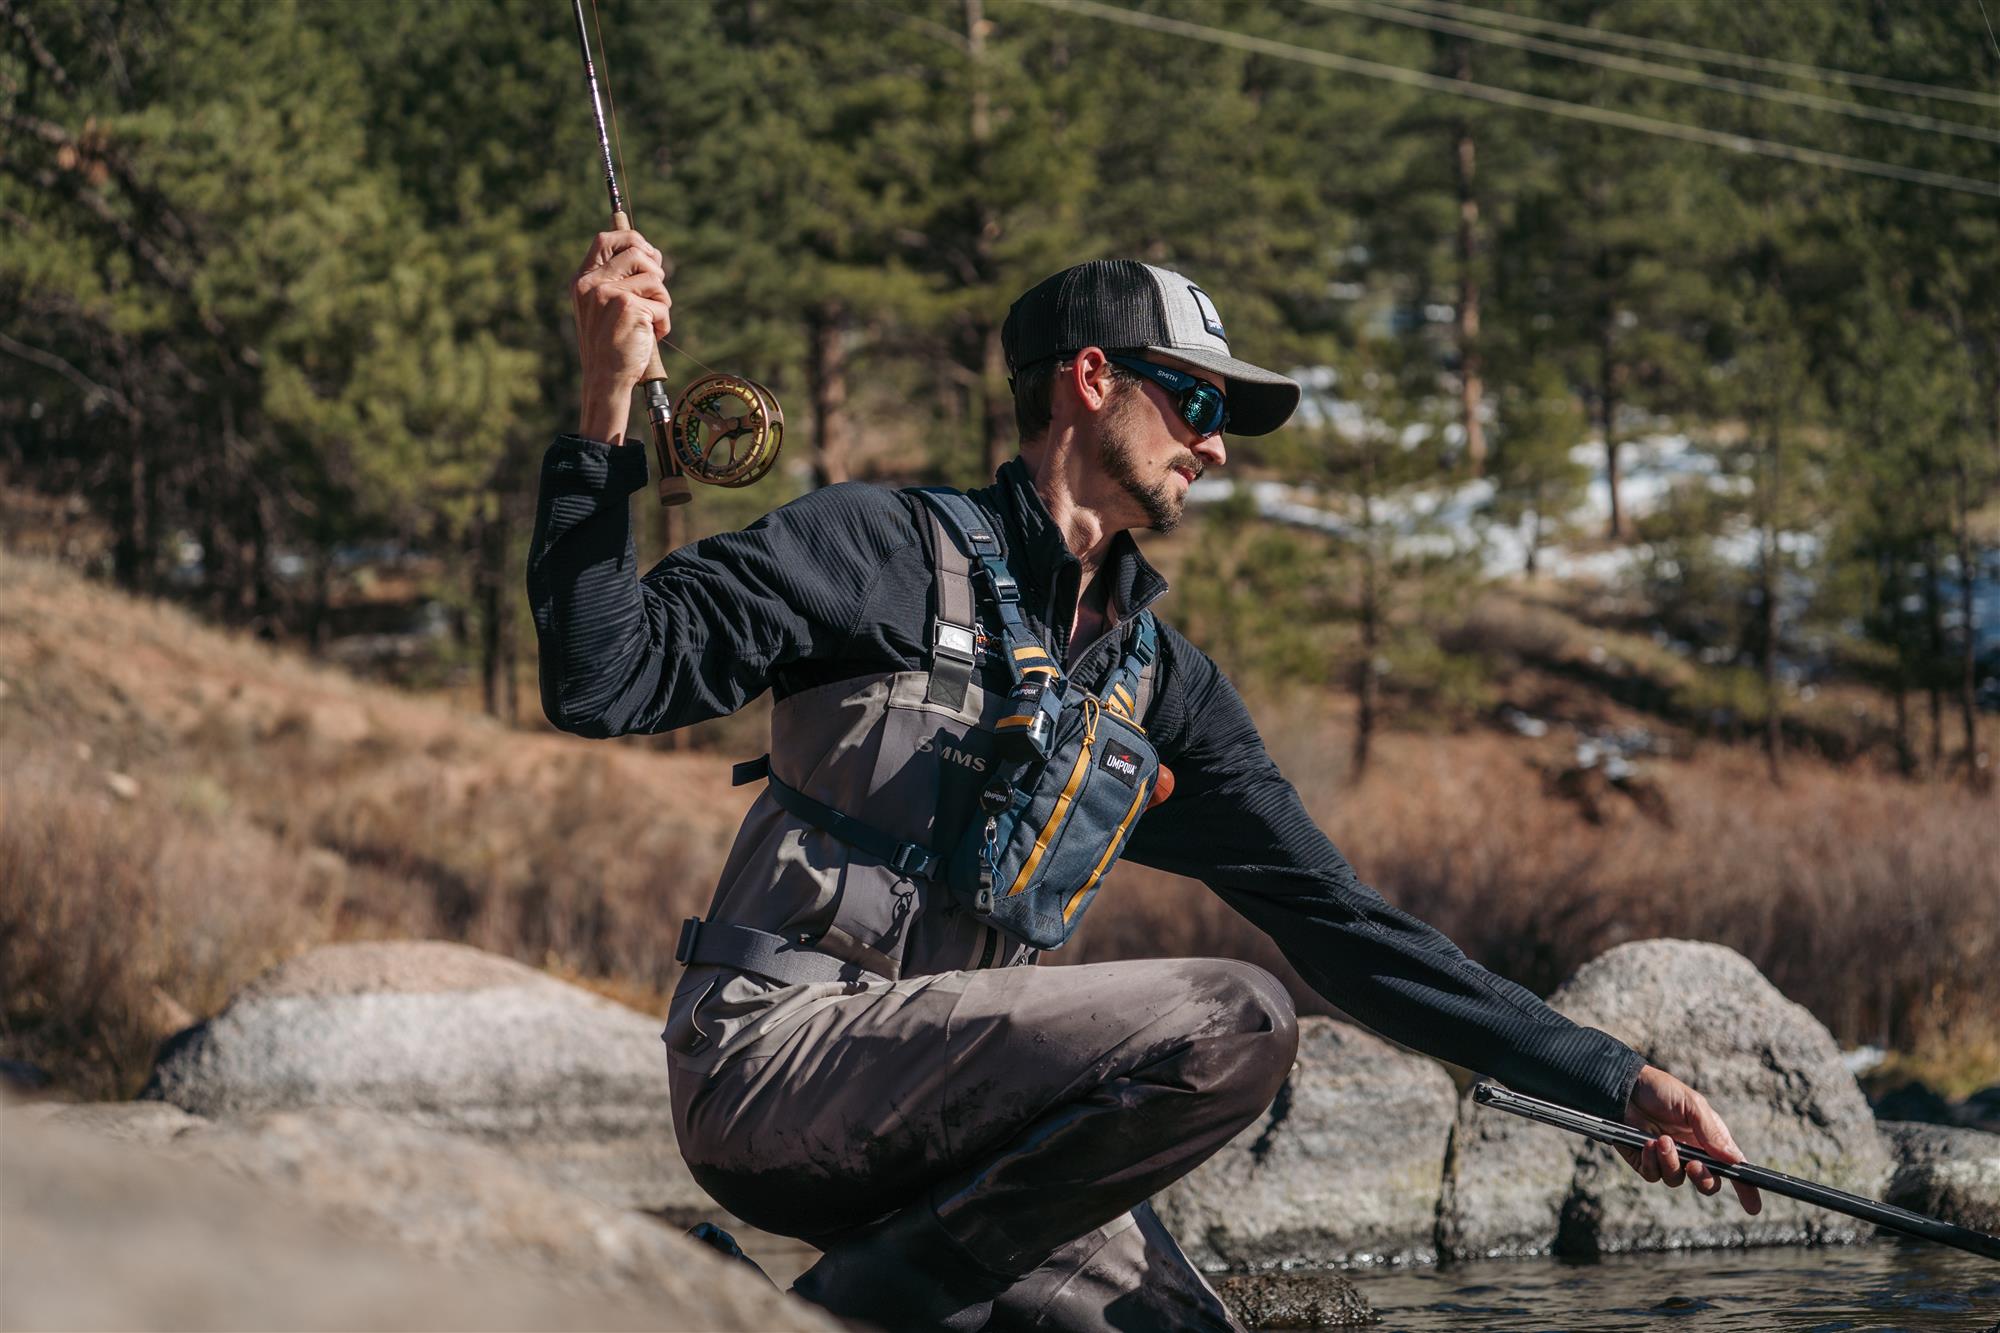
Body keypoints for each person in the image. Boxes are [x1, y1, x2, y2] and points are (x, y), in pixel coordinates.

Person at [530, 233, 1763, 1332]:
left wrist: (1614, 1081)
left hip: (965, 1129)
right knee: (1237, 1020)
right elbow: (602, 679)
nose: (1215, 445)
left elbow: (1341, 926)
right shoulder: (870, 547)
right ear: (1089, 377)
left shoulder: (1157, 682)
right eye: (1195, 402)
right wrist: (603, 405)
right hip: (771, 1064)